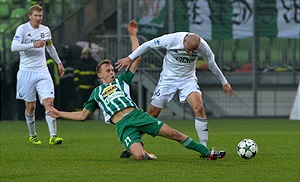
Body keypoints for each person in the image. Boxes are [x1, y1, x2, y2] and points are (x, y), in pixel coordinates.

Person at [48, 19, 226, 161]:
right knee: (139, 157)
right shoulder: (96, 93)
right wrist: (59, 113)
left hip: (136, 115)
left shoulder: (122, 80)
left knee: (174, 134)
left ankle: (208, 152)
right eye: (108, 71)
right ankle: (142, 151)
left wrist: (133, 35)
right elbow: (82, 116)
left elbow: (137, 58)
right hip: (123, 126)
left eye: (112, 69)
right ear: (100, 76)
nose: (112, 72)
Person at [116, 32, 234, 150]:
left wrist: (224, 82)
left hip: (188, 80)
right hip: (167, 80)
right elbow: (148, 44)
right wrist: (130, 57)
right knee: (153, 113)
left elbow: (212, 64)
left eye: (194, 50)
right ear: (184, 41)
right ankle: (134, 142)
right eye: (189, 49)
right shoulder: (171, 39)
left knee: (199, 108)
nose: (191, 53)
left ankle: (204, 147)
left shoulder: (203, 46)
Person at [11, 4, 65, 145]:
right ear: (30, 16)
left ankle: (53, 136)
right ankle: (32, 134)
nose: (38, 18)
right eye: (35, 15)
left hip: (42, 71)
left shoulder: (45, 30)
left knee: (49, 102)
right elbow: (14, 47)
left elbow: (50, 47)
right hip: (26, 72)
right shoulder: (22, 29)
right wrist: (32, 45)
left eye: (40, 16)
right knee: (31, 106)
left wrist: (58, 62)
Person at [73, 47, 99, 112]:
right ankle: (78, 114)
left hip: (90, 87)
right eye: (86, 54)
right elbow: (76, 75)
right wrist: (76, 85)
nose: (87, 55)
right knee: (80, 102)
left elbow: (96, 74)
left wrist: (95, 83)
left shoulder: (94, 62)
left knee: (90, 102)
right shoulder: (79, 63)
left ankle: (88, 115)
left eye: (88, 54)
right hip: (81, 87)